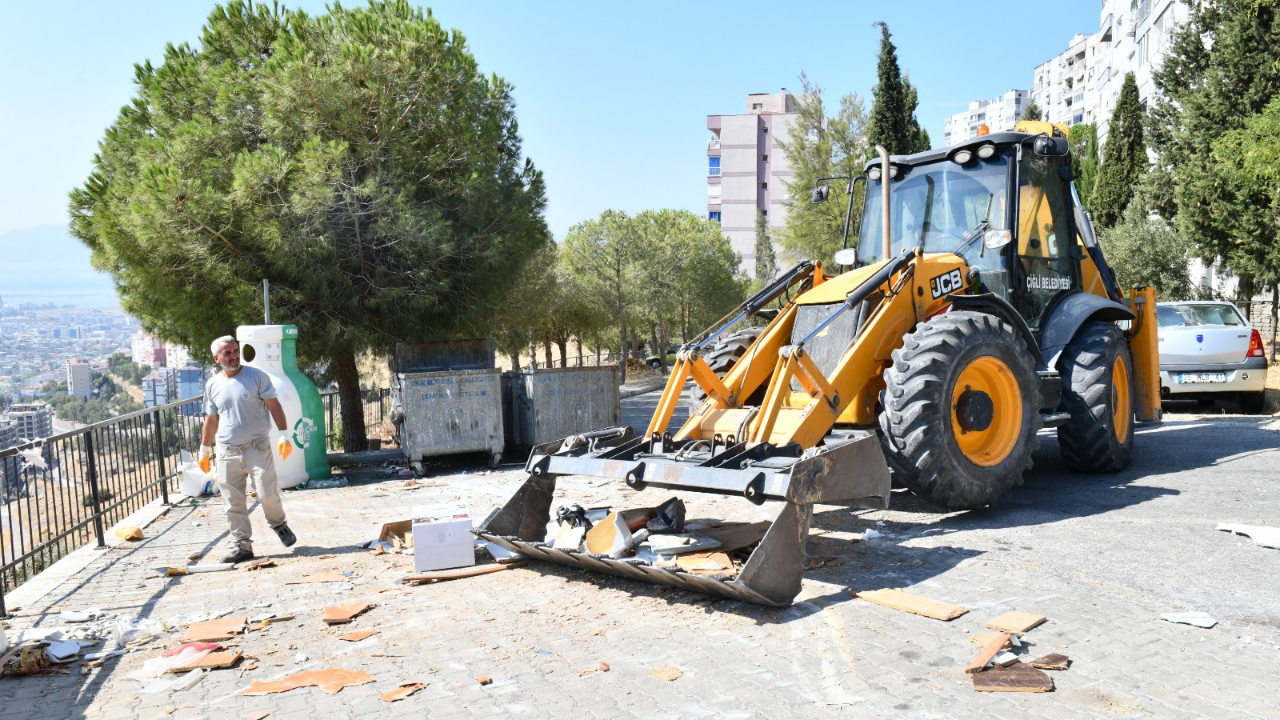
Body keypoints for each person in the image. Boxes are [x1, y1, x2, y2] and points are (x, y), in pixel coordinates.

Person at [198, 335, 297, 563]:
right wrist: (204, 449)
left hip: (257, 448)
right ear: (216, 358)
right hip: (226, 452)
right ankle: (242, 545)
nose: (234, 356)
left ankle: (279, 524)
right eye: (227, 353)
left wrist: (284, 435)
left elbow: (274, 405)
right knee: (232, 502)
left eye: (235, 351)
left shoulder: (256, 376)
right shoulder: (213, 384)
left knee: (266, 493)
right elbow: (211, 419)